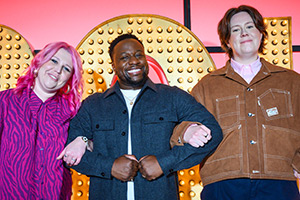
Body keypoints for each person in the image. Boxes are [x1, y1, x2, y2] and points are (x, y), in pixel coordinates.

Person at [66, 33, 223, 200]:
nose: (134, 61)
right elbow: (71, 154)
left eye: (139, 55)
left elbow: (213, 132)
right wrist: (110, 167)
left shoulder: (172, 97)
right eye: (124, 57)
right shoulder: (93, 105)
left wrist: (164, 163)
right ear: (113, 66)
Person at [171, 5, 300, 200]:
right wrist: (186, 131)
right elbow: (178, 128)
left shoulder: (291, 81)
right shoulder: (207, 86)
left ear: (260, 33)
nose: (244, 33)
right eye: (236, 30)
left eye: (249, 27)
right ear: (227, 41)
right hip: (222, 186)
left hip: (279, 183)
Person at [0, 42, 84, 200]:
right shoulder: (5, 102)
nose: (58, 70)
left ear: (69, 79)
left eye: (66, 68)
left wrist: (83, 140)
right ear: (39, 63)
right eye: (54, 60)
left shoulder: (72, 112)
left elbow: (95, 142)